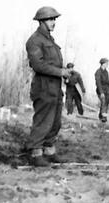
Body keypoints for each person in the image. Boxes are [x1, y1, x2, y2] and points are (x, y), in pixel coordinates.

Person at [25, 6, 71, 167]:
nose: (53, 22)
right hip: (43, 88)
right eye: (50, 19)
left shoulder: (49, 40)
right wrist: (60, 72)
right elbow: (38, 65)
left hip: (55, 88)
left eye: (54, 19)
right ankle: (35, 153)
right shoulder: (34, 40)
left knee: (55, 121)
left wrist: (64, 73)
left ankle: (49, 151)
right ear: (41, 21)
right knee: (43, 120)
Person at [95, 58, 109, 122]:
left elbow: (108, 83)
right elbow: (98, 83)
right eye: (106, 63)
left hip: (107, 90)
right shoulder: (98, 72)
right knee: (103, 102)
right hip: (101, 90)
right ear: (103, 64)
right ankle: (103, 117)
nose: (107, 64)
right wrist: (101, 92)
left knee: (106, 103)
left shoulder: (106, 72)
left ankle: (102, 116)